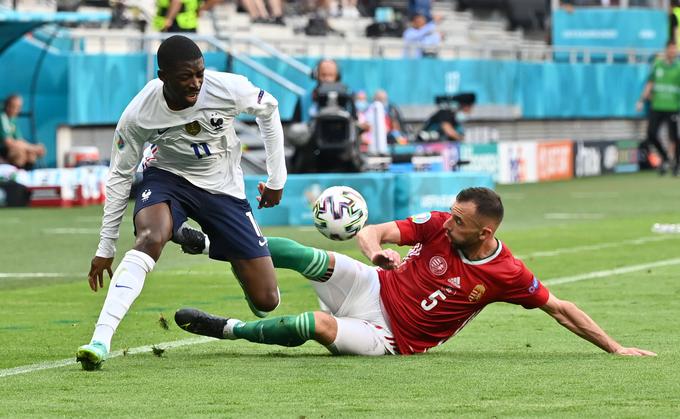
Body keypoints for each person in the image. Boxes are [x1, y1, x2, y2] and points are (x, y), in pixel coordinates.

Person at [174, 187, 656, 357]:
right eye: (451, 213)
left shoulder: (506, 272)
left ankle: (228, 330)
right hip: (375, 283)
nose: (449, 222)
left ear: (485, 233)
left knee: (312, 325)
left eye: (460, 221)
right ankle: (210, 243)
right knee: (304, 255)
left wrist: (613, 346)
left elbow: (559, 308)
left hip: (390, 336)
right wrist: (375, 252)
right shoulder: (438, 225)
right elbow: (375, 232)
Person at [76, 35, 287, 370]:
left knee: (266, 301)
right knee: (150, 238)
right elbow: (119, 175)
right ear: (163, 77)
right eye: (185, 77)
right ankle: (100, 339)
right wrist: (106, 246)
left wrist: (277, 179)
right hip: (168, 179)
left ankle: (208, 245)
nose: (196, 83)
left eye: (200, 73)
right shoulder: (139, 114)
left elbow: (269, 108)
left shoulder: (227, 88)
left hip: (223, 187)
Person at [637, 41, 680, 176]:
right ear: (666, 50)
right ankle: (666, 159)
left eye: (675, 49)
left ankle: (677, 165)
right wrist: (641, 100)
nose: (672, 52)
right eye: (670, 49)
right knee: (651, 134)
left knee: (674, 137)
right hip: (657, 106)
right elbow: (650, 83)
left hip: (673, 106)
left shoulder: (678, 67)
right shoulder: (657, 65)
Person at [0, 94, 45, 169]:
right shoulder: (2, 117)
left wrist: (34, 148)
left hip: (5, 150)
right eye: (16, 107)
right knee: (18, 153)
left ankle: (25, 175)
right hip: (2, 151)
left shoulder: (12, 119)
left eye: (20, 107)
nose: (19, 110)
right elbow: (8, 142)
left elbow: (19, 140)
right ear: (8, 107)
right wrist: (33, 148)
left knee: (31, 154)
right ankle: (14, 178)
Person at [153, 0, 221, 32]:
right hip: (190, 25)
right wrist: (201, 9)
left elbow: (176, 2)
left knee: (174, 55)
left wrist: (168, 20)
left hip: (175, 25)